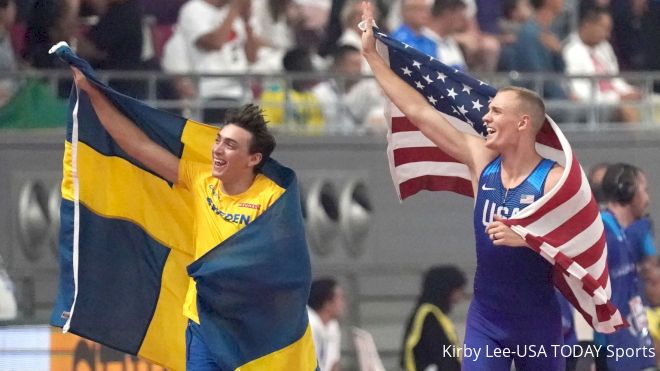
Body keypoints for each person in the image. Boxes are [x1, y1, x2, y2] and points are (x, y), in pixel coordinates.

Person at [361, 2, 565, 370]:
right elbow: (420, 113)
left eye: (496, 112)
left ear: (523, 124)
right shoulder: (480, 160)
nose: (484, 117)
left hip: (537, 319)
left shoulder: (552, 178)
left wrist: (531, 239)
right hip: (487, 316)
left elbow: (579, 243)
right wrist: (374, 58)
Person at [69, 67, 288, 370]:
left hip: (247, 330)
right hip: (201, 323)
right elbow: (139, 146)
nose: (218, 150)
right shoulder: (202, 180)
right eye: (219, 140)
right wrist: (92, 92)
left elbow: (278, 264)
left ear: (253, 159)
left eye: (231, 145)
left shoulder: (272, 198)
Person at [595, 163, 656, 370]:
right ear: (627, 190)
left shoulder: (628, 233)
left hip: (635, 347)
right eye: (644, 190)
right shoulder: (601, 232)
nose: (647, 200)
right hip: (615, 354)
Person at [400, 265, 467, 371]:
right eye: (458, 289)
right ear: (446, 289)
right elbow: (441, 355)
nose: (461, 294)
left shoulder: (435, 316)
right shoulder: (428, 317)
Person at [308, 278, 346, 371]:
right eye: (340, 298)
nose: (343, 303)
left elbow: (334, 364)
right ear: (327, 304)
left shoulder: (332, 326)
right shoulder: (308, 326)